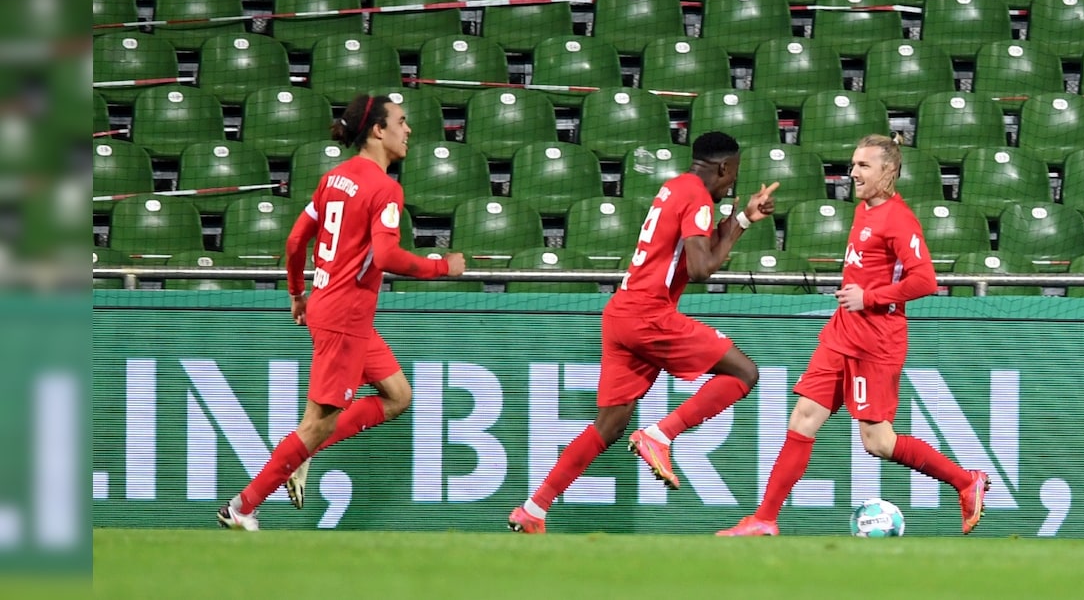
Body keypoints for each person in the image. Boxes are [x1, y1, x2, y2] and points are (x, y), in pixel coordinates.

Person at [716, 133, 990, 537]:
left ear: (889, 171)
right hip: (842, 333)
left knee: (877, 442)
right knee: (803, 418)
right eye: (853, 164)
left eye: (864, 165)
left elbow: (926, 280)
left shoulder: (899, 220)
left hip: (875, 341)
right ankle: (765, 518)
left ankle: (966, 481)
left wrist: (871, 297)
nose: (853, 173)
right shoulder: (864, 211)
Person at [508, 131, 780, 534]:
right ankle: (659, 435)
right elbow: (703, 268)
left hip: (622, 312)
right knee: (744, 373)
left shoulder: (675, 188)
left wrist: (741, 219)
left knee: (610, 425)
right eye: (733, 174)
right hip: (648, 314)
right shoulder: (698, 198)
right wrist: (731, 223)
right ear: (723, 167)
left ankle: (534, 508)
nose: (732, 184)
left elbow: (697, 254)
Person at [218, 93, 467, 530]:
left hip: (326, 304)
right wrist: (442, 266)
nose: (408, 130)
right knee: (316, 424)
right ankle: (243, 506)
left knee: (398, 396)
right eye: (402, 122)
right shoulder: (384, 187)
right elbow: (387, 256)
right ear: (377, 130)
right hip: (346, 316)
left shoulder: (334, 179)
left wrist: (297, 292)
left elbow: (297, 242)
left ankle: (299, 449)